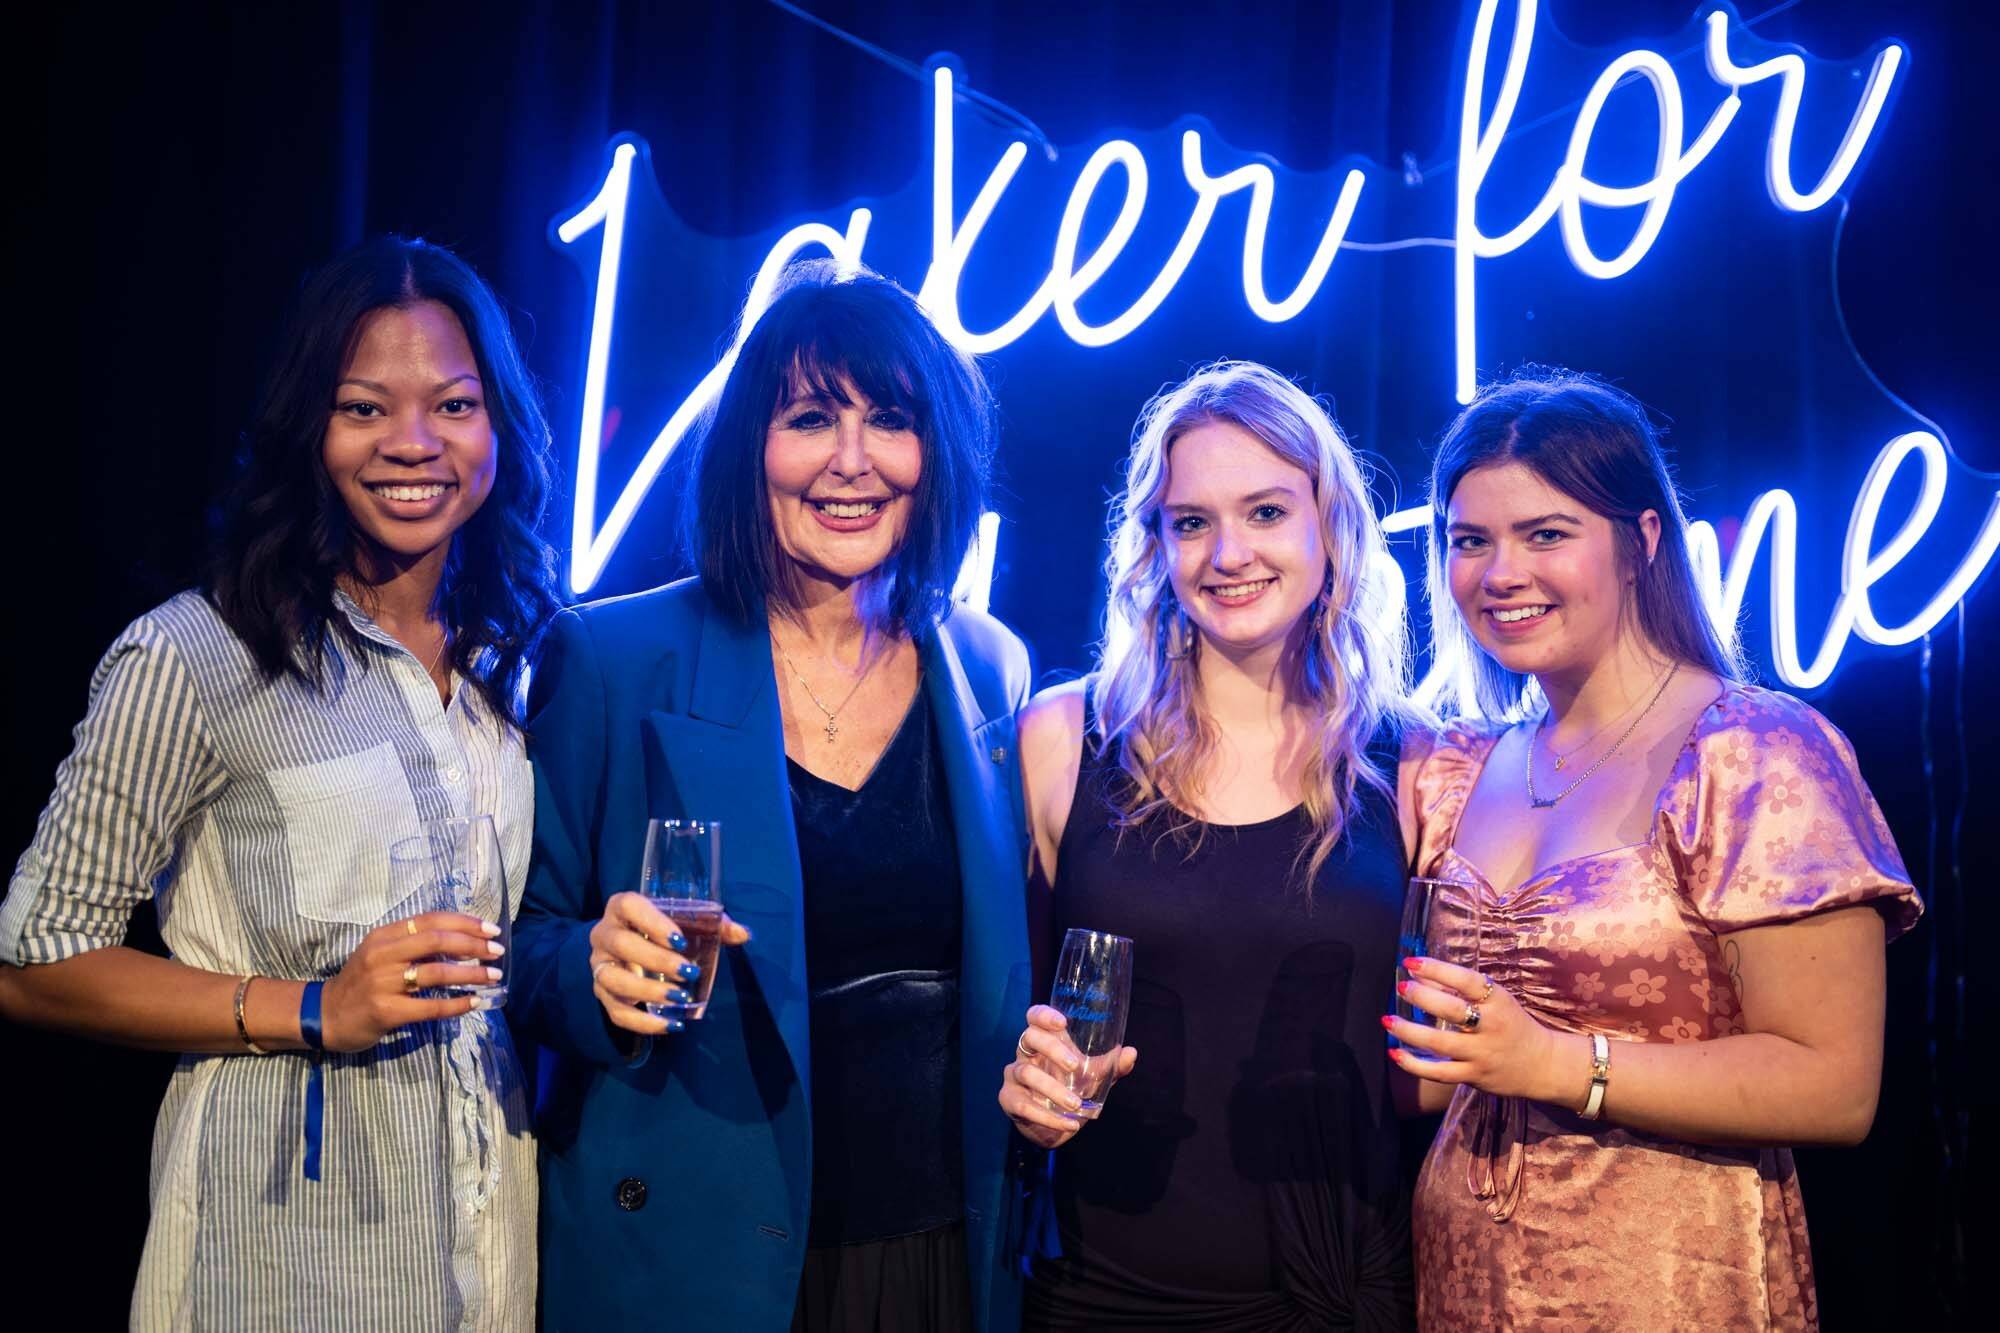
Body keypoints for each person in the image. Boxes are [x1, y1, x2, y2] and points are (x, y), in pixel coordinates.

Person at [0, 235, 561, 1327]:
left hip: (489, 1255)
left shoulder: (516, 658)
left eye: (451, 405)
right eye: (364, 408)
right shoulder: (197, 654)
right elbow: (32, 961)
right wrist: (314, 1007)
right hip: (281, 1264)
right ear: (310, 426)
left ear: (497, 425)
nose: (413, 444)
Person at [513, 260, 1032, 1332]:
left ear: (935, 456)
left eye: (888, 418)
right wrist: (586, 965)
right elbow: (513, 945)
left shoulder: (988, 667)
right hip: (696, 1253)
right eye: (807, 418)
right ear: (750, 445)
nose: (851, 462)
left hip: (936, 1249)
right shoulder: (612, 657)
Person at [1388, 366, 1922, 1329]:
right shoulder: (1457, 766)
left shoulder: (1756, 750)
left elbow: (1836, 1085)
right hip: (1463, 1284)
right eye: (1470, 542)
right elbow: (1427, 1078)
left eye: (1547, 534)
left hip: (1671, 1284)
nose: (1501, 572)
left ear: (1641, 542)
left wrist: (1556, 1063)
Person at [1000, 361, 1420, 1328]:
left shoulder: (1414, 760)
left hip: (1340, 1294)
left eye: (1267, 512)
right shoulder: (1063, 739)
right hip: (1103, 1295)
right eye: (1191, 522)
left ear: (1330, 527)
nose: (1228, 553)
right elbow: (1003, 1012)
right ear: (1156, 543)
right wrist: (1022, 1085)